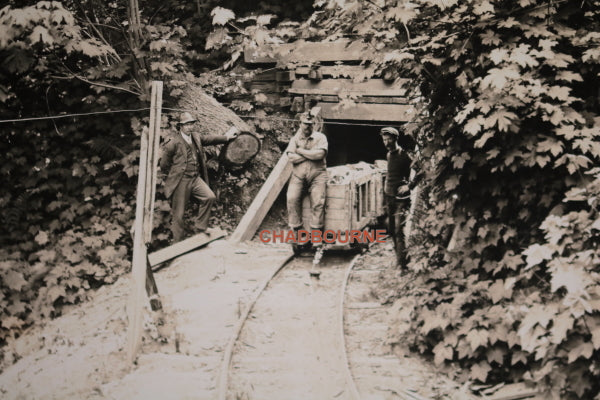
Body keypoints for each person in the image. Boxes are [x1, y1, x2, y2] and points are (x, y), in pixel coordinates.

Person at [160, 112, 238, 242]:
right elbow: (164, 164)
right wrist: (174, 176)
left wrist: (227, 137)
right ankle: (177, 243)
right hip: (181, 180)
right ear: (180, 126)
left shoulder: (196, 137)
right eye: (186, 125)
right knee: (178, 214)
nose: (190, 127)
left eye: (191, 124)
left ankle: (200, 229)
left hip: (195, 178)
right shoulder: (173, 143)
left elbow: (210, 139)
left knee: (209, 197)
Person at [285, 112, 328, 249]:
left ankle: (316, 236)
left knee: (318, 202)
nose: (307, 127)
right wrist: (311, 155)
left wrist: (301, 151)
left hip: (317, 176)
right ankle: (300, 233)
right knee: (291, 198)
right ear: (300, 124)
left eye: (310, 124)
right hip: (298, 176)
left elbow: (320, 154)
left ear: (313, 124)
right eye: (305, 124)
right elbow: (291, 158)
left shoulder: (321, 137)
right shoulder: (294, 139)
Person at [380, 126, 412, 266]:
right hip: (389, 197)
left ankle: (402, 265)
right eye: (384, 140)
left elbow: (422, 171)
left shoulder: (404, 155)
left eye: (389, 140)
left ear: (395, 139)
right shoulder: (388, 155)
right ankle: (402, 257)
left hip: (401, 199)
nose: (386, 143)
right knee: (392, 230)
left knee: (399, 230)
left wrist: (409, 186)